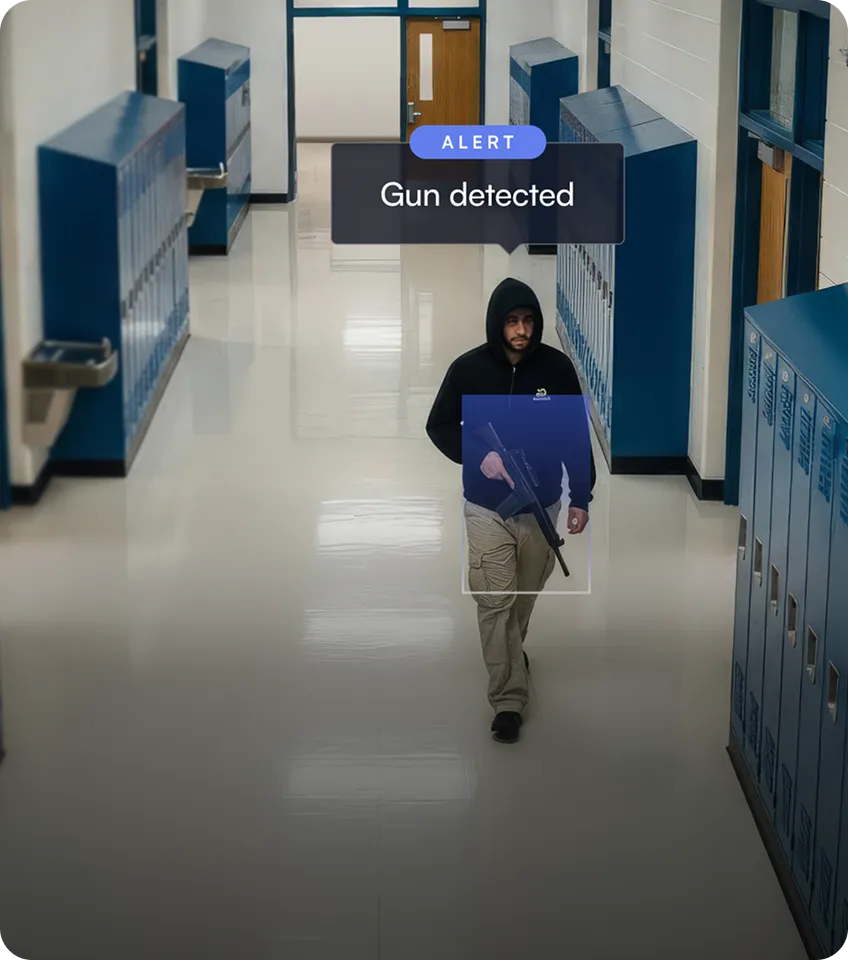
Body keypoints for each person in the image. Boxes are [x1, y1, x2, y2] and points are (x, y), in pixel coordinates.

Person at [426, 278, 595, 744]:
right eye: (512, 321)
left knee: (520, 600)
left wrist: (581, 496)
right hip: (486, 508)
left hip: (541, 506)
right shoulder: (469, 370)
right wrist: (476, 454)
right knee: (494, 602)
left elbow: (575, 438)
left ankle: (510, 653)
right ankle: (507, 700)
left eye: (528, 321)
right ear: (497, 325)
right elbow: (437, 425)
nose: (522, 330)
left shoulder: (557, 371)